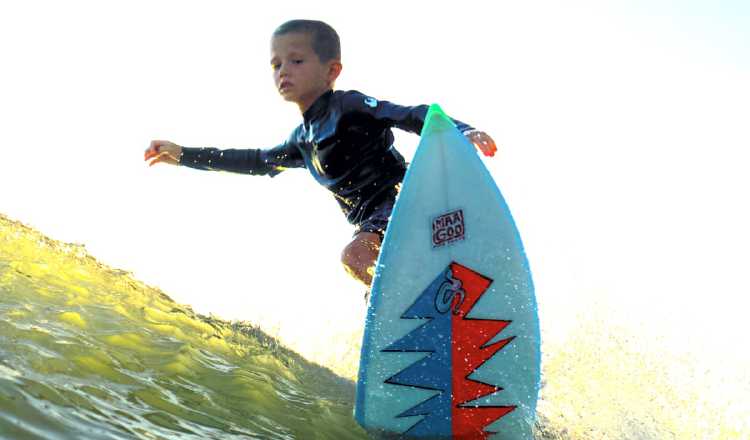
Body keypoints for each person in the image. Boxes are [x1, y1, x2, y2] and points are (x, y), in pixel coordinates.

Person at [144, 19, 497, 300]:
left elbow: (412, 114)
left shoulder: (350, 107)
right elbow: (255, 161)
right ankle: (416, 311)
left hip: (406, 203)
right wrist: (183, 155)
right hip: (373, 225)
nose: (284, 70)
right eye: (276, 63)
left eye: (296, 61)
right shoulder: (302, 141)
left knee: (355, 259)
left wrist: (462, 132)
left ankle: (430, 302)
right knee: (365, 272)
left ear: (332, 71)